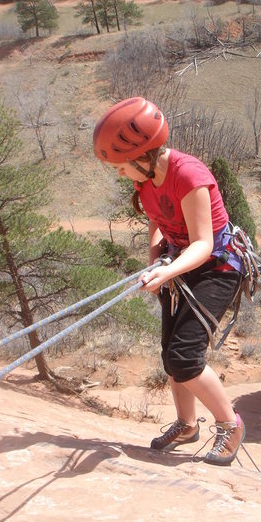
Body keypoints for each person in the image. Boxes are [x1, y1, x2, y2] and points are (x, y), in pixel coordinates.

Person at [93, 96, 246, 466]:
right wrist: (153, 265)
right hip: (180, 264)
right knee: (170, 356)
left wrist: (167, 271)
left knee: (185, 356)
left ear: (143, 155)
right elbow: (157, 221)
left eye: (121, 165)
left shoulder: (188, 175)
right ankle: (187, 425)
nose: (119, 173)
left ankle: (231, 424)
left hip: (218, 267)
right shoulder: (147, 179)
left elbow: (204, 243)